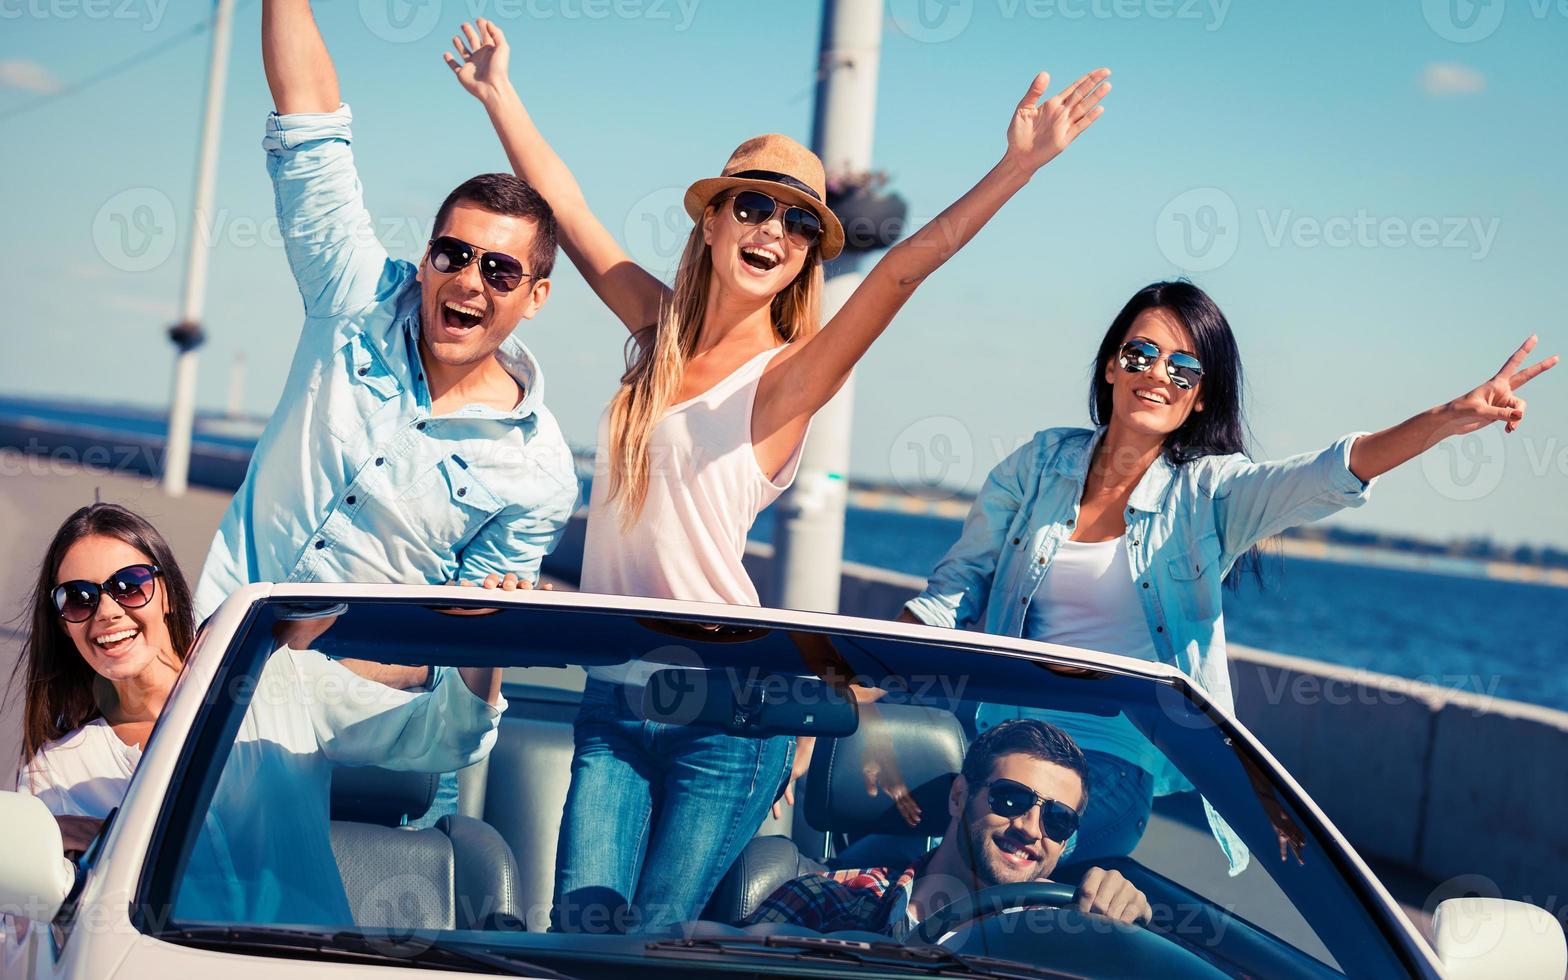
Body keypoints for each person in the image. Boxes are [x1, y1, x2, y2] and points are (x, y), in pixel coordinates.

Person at [443, 17, 1113, 931]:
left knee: (653, 945)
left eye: (799, 222)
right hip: (616, 691)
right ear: (713, 221)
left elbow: (901, 275)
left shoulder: (789, 376)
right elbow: (567, 208)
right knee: (582, 932)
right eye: (753, 207)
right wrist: (499, 94)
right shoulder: (656, 329)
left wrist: (1017, 165)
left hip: (730, 712)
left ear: (806, 251)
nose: (774, 230)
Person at [901, 280, 1558, 874]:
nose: (1158, 375)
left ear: (1201, 396)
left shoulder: (1207, 496)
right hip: (1000, 744)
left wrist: (1444, 421)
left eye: (1184, 368)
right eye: (1141, 355)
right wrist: (859, 704)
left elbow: (1327, 474)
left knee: (1017, 856)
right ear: (1110, 365)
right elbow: (948, 598)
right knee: (890, 849)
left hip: (1108, 767)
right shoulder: (1041, 462)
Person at [194, 0, 579, 623]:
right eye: (453, 254)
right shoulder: (354, 296)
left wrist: (494, 613)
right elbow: (310, 129)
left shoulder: (540, 472)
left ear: (536, 295)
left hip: (358, 713)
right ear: (426, 260)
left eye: (500, 269)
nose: (469, 280)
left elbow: (466, 653)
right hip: (218, 676)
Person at [9, 503, 505, 926]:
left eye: (130, 585)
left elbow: (446, 738)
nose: (107, 611)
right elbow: (45, 934)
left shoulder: (277, 681)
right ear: (63, 625)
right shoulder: (56, 774)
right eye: (78, 598)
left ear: (165, 593)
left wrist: (489, 639)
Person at [745, 719, 1150, 938]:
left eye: (1058, 819)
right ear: (958, 797)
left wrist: (1124, 930)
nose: (1030, 828)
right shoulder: (826, 901)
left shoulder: (1065, 935)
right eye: (1011, 799)